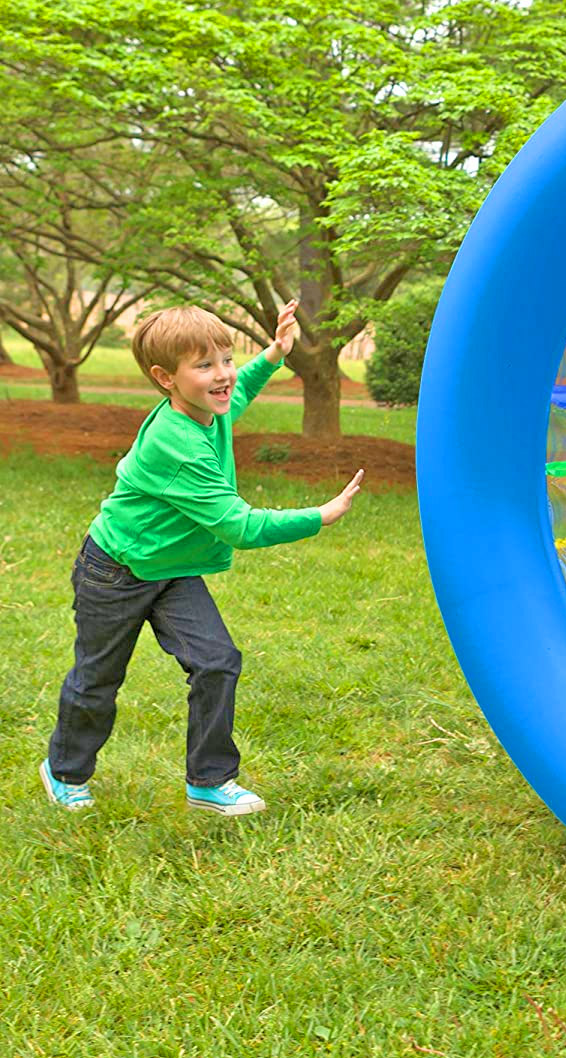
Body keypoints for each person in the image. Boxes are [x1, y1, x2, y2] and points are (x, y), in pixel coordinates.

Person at [39, 300, 365, 816]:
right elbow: (239, 526)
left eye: (226, 360)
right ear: (165, 377)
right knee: (98, 679)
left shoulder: (204, 410)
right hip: (116, 571)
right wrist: (319, 515)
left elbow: (234, 399)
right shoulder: (178, 445)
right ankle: (65, 772)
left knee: (217, 662)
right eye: (205, 365)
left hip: (172, 570)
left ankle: (209, 781)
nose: (223, 376)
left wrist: (273, 355)